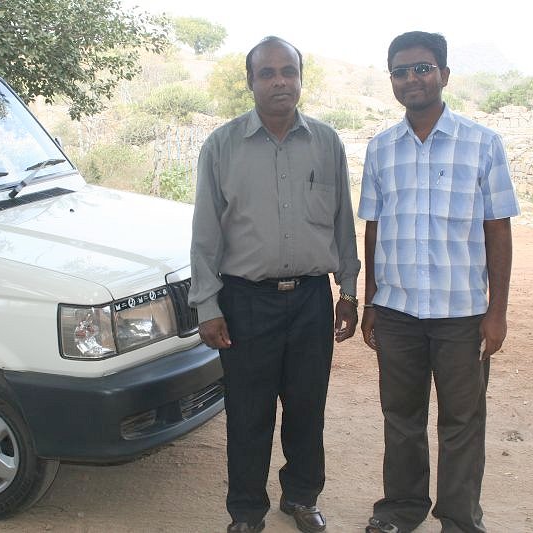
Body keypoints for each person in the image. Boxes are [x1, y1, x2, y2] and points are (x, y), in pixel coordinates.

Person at [189, 36, 361, 533]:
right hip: (244, 302)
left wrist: (347, 291)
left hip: (310, 300)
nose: (280, 80)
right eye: (267, 73)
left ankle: (302, 497)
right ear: (250, 83)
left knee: (308, 410)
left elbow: (342, 224)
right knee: (248, 415)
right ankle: (246, 513)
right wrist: (207, 305)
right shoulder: (221, 146)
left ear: (301, 79)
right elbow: (205, 235)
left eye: (289, 71)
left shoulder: (326, 143)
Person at [357, 31, 520, 533]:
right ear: (392, 82)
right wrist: (371, 303)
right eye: (401, 71)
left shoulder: (482, 143)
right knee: (401, 418)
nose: (412, 79)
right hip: (399, 313)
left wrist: (496, 311)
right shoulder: (381, 149)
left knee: (462, 424)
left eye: (423, 68)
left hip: (462, 314)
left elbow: (498, 230)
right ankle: (402, 510)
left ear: (444, 75)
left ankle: (459, 518)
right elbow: (375, 229)